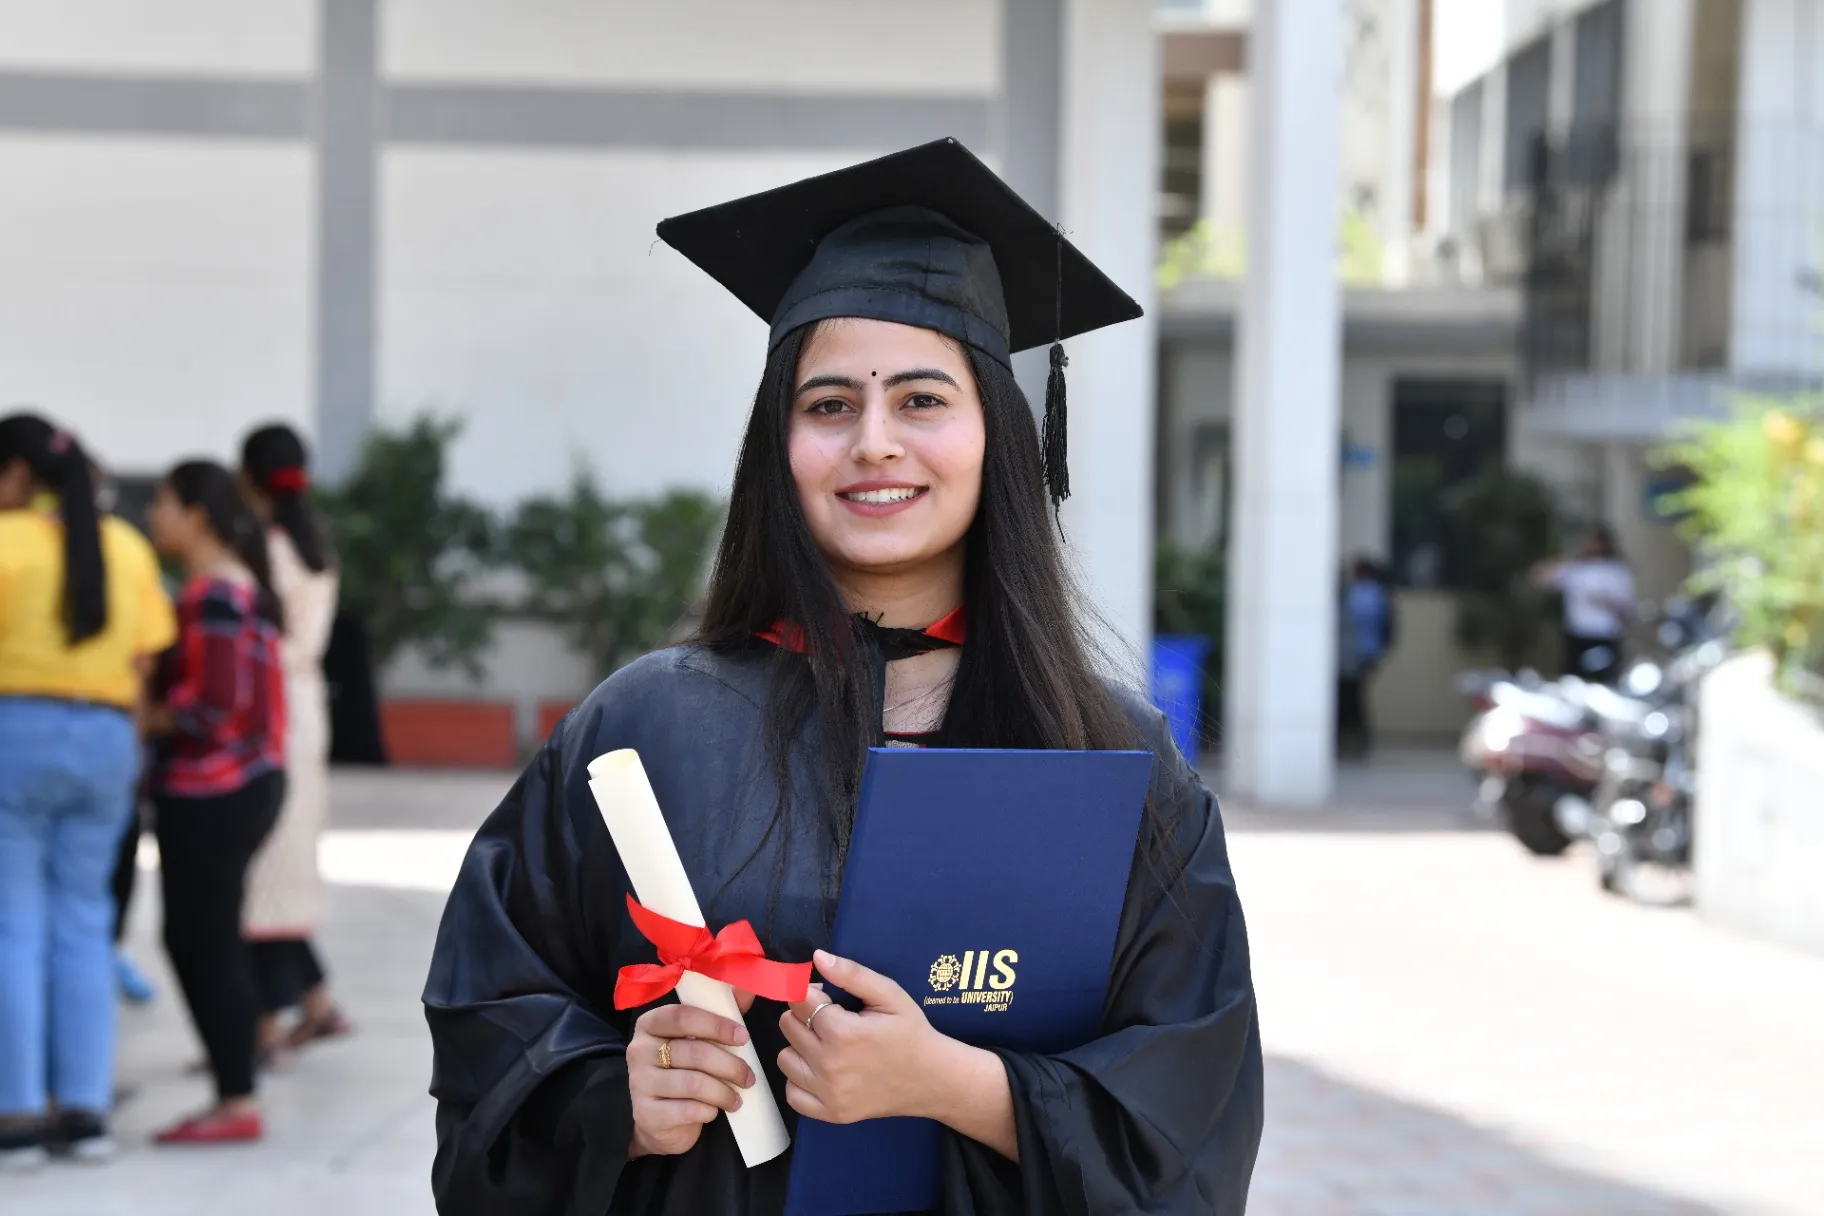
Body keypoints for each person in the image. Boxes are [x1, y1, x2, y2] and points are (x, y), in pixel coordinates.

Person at [423, 140, 1262, 1215]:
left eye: (921, 400)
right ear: (778, 444)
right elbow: (491, 1024)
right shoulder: (643, 728)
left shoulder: (1110, 758)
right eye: (828, 406)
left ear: (995, 434)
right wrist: (614, 1100)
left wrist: (960, 1087)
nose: (873, 443)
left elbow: (1193, 1111)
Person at [0, 414, 177, 1168]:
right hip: (106, 742)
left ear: (14, 474)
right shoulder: (127, 546)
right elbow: (148, 660)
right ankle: (86, 1112)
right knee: (84, 924)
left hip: (14, 730)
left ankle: (16, 1115)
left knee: (14, 926)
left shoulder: (6, 542)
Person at [143, 461, 288, 1145]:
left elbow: (213, 703)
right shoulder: (239, 582)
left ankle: (235, 1098)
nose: (154, 517)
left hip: (213, 786)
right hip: (245, 782)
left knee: (201, 939)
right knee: (208, 936)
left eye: (164, 504)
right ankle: (236, 1087)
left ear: (196, 514)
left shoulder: (212, 592)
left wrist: (144, 713)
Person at [238, 424, 352, 1058]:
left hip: (268, 707)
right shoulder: (316, 547)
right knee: (284, 858)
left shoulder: (261, 548)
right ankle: (313, 1002)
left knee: (263, 864)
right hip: (305, 707)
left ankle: (264, 1021)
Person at [1533, 524, 1636, 684]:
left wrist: (1605, 601)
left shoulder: (1616, 571)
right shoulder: (1576, 569)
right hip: (1577, 634)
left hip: (1604, 635)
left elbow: (1627, 607)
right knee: (1574, 683)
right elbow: (1541, 578)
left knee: (1603, 683)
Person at [1336, 556, 1393, 758]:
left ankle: (1351, 740)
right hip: (1366, 655)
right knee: (1354, 697)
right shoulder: (1379, 594)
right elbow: (1388, 630)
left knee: (1349, 699)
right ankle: (1357, 740)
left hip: (1350, 655)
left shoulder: (1354, 594)